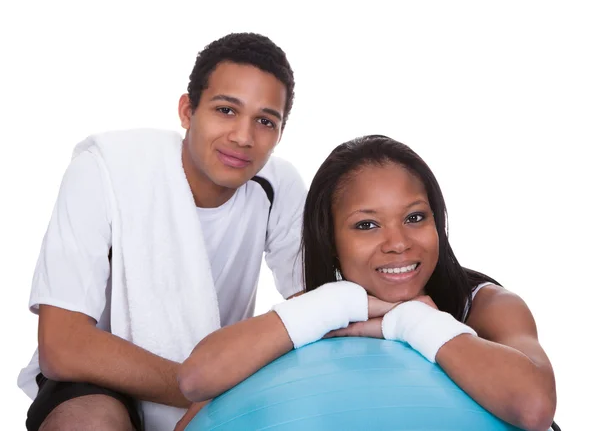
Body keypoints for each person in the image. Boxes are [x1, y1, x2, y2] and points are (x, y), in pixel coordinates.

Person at [18, 32, 307, 431]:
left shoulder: (278, 186)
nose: (243, 136)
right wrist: (201, 387)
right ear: (187, 111)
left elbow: (312, 306)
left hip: (221, 377)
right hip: (98, 379)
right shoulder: (104, 169)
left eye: (264, 121)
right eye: (226, 110)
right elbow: (63, 346)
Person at [178, 135, 558, 431]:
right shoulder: (317, 311)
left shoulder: (488, 306)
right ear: (331, 242)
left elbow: (535, 408)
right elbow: (194, 383)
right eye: (366, 225)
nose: (398, 243)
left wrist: (412, 322)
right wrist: (337, 304)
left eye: (414, 218)